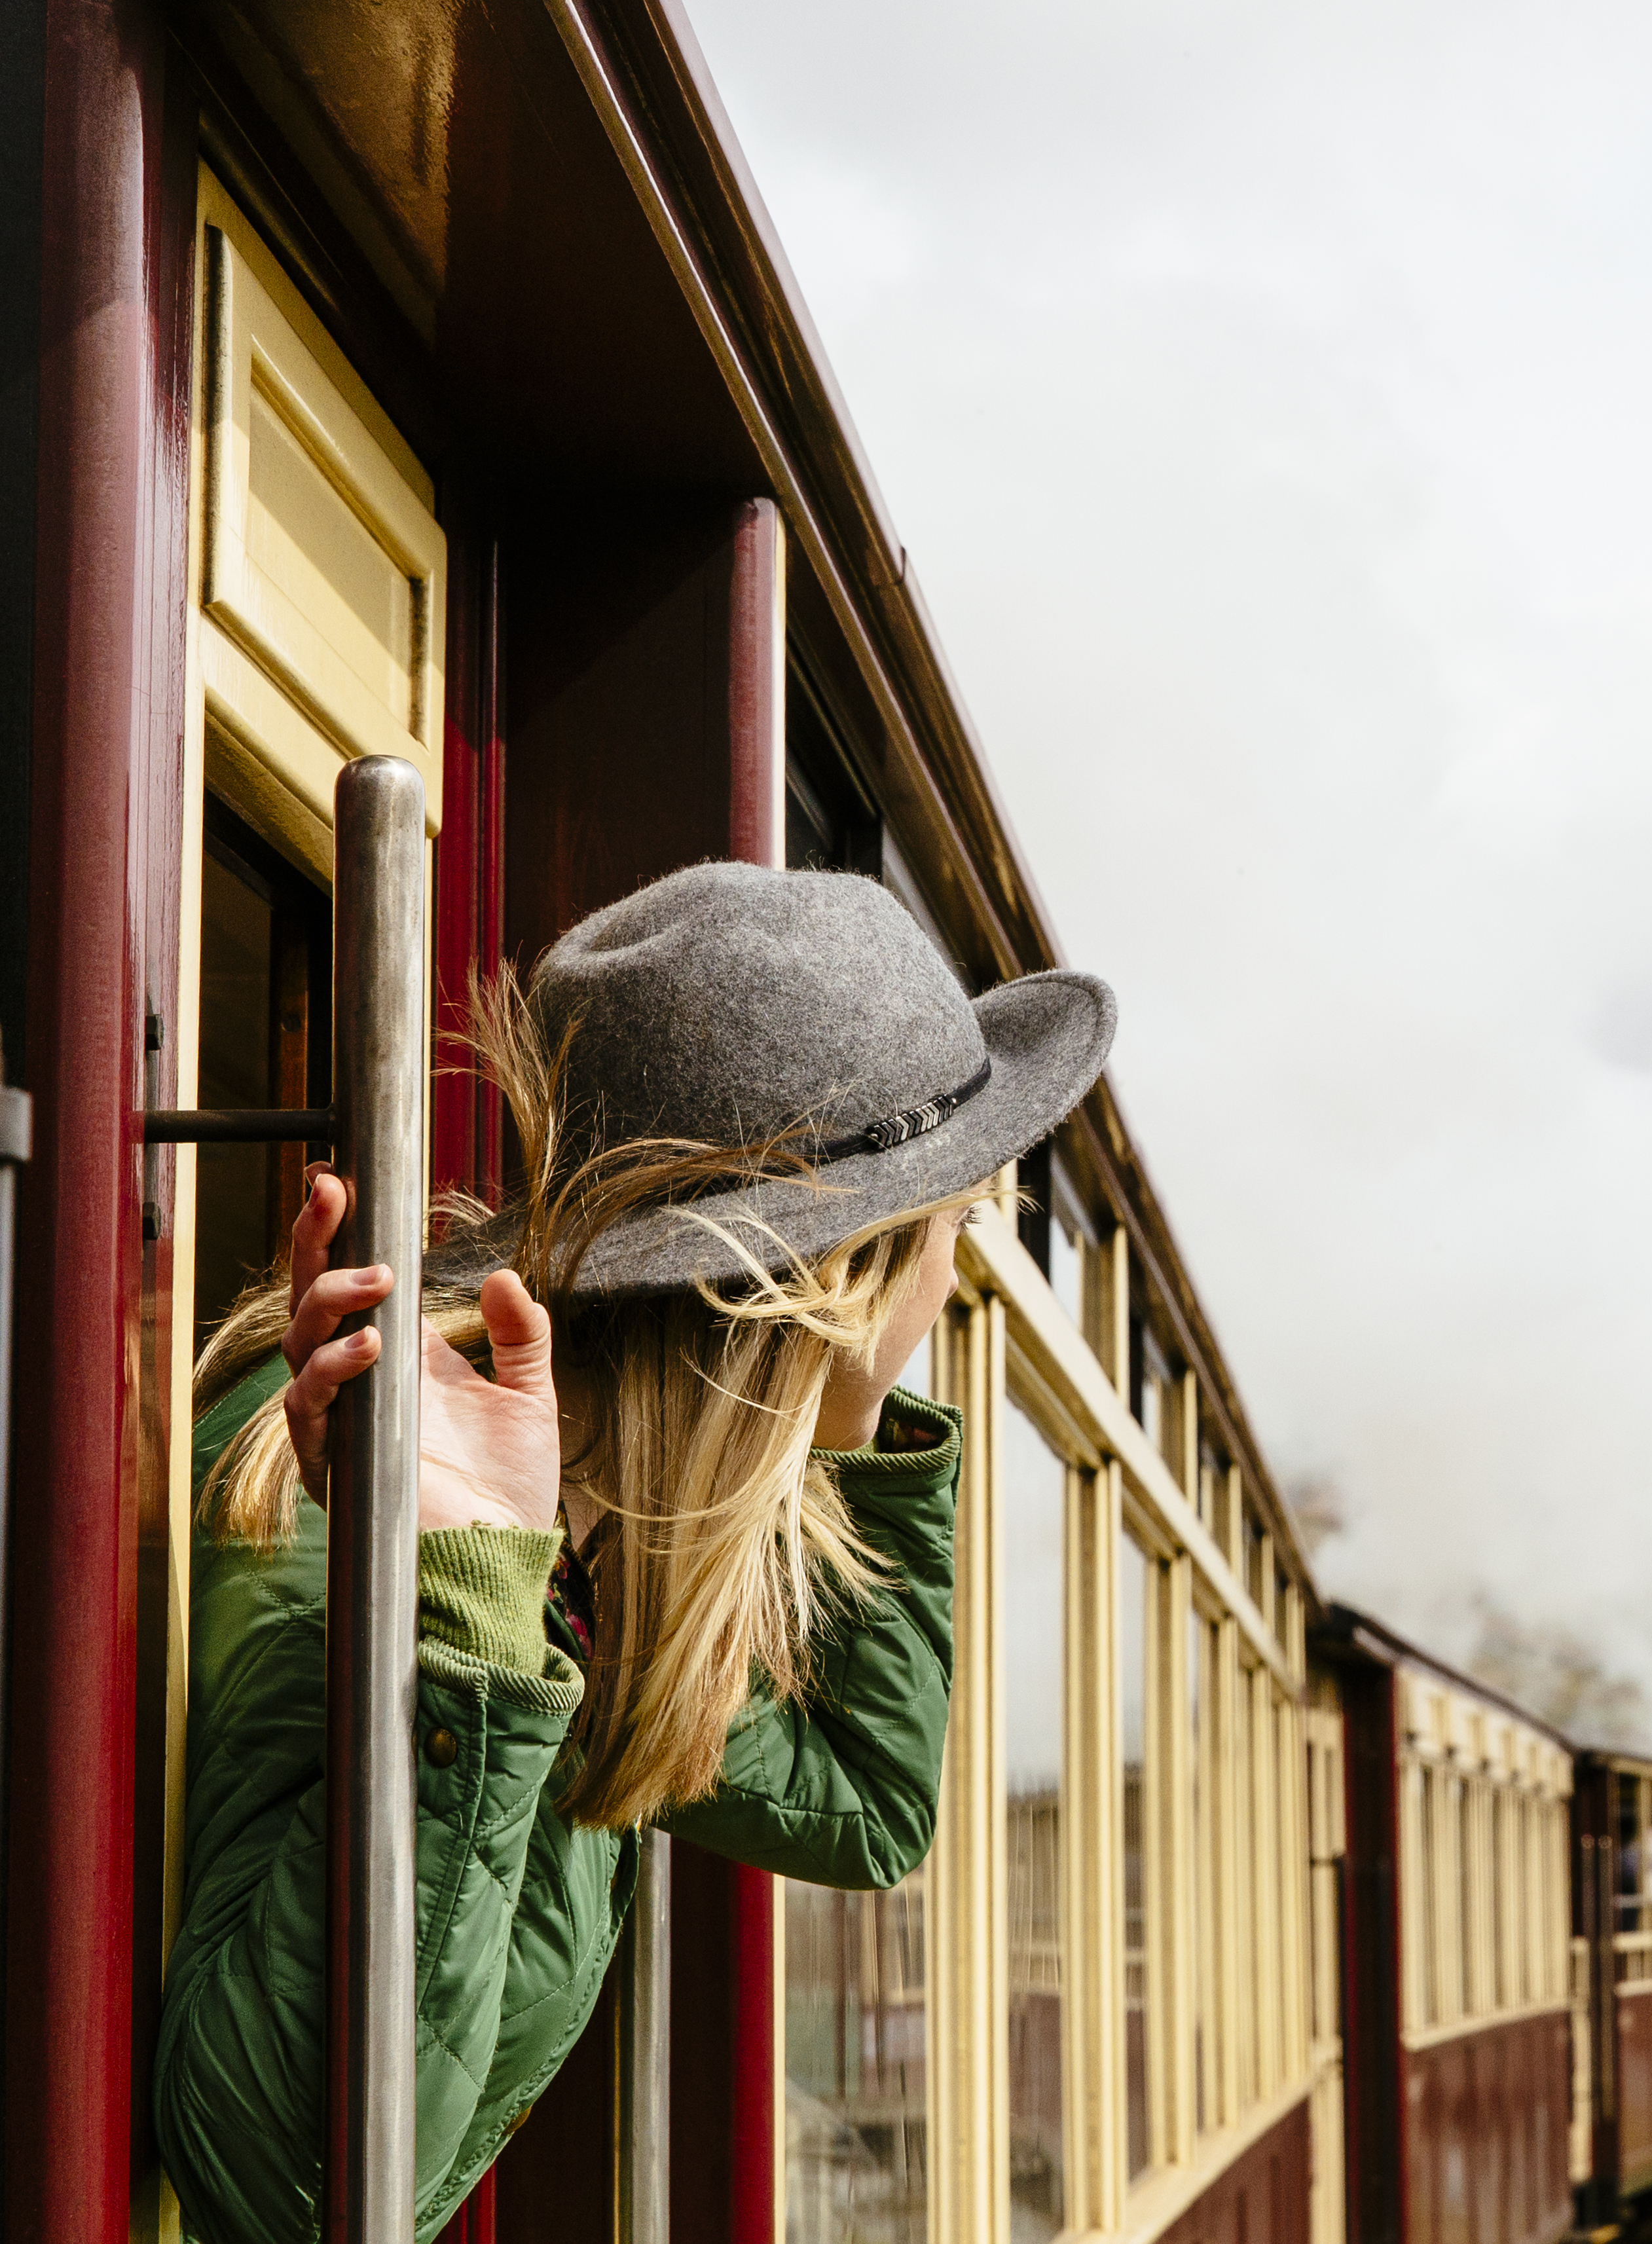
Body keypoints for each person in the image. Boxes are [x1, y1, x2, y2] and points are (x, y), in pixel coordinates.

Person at [153, 864, 1114, 2244]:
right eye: (948, 1230)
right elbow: (284, 2190)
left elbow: (866, 1795)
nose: (953, 1283)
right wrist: (470, 1626)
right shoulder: (371, 1508)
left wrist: (857, 1418)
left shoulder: (596, 1541)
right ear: (834, 1283)